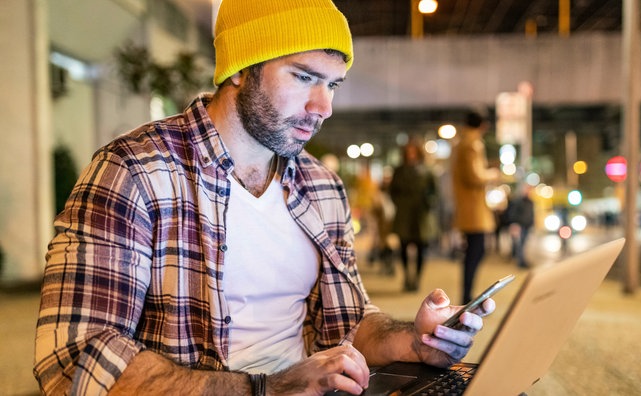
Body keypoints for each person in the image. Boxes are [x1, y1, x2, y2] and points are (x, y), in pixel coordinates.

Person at [33, 1, 495, 395]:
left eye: (332, 84)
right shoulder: (135, 171)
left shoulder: (320, 186)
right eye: (303, 77)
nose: (323, 107)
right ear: (239, 68)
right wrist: (267, 388)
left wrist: (414, 341)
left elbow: (345, 320)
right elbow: (74, 360)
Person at [451, 110, 499, 302]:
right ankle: (467, 296)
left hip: (468, 205)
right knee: (476, 251)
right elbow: (475, 176)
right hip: (473, 206)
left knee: (474, 251)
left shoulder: (463, 142)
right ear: (483, 125)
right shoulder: (472, 144)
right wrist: (493, 173)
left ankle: (467, 294)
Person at [389, 141, 438, 292]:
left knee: (421, 248)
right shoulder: (399, 171)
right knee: (403, 247)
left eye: (413, 151)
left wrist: (429, 202)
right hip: (404, 214)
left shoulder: (427, 171)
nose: (411, 155)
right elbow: (392, 190)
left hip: (421, 215)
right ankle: (406, 277)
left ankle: (416, 278)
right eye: (408, 152)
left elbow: (434, 191)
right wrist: (399, 203)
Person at [504, 184, 535, 268]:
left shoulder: (531, 202)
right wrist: (514, 224)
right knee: (520, 244)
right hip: (520, 226)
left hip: (527, 226)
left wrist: (532, 223)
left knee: (523, 244)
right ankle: (521, 262)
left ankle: (521, 260)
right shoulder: (518, 201)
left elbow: (531, 214)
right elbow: (512, 213)